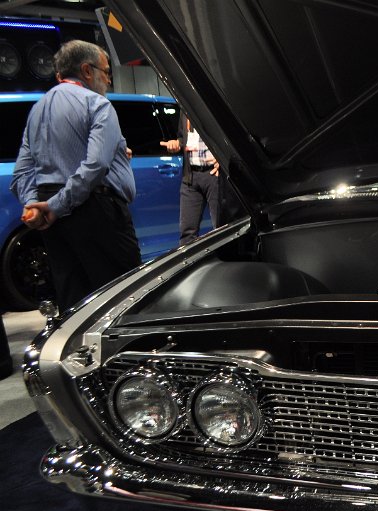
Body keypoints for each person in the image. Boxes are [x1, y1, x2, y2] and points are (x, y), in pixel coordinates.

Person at [9, 40, 140, 312]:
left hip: (52, 217)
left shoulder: (37, 109)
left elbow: (22, 170)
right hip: (94, 208)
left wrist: (35, 205)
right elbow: (95, 165)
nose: (108, 80)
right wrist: (56, 206)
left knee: (74, 301)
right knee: (122, 296)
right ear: (87, 71)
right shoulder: (98, 105)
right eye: (106, 72)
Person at [161, 115, 225, 245]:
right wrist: (176, 144)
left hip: (214, 174)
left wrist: (223, 158)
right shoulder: (185, 110)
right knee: (187, 233)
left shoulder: (210, 107)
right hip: (190, 176)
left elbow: (228, 135)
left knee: (221, 229)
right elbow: (182, 137)